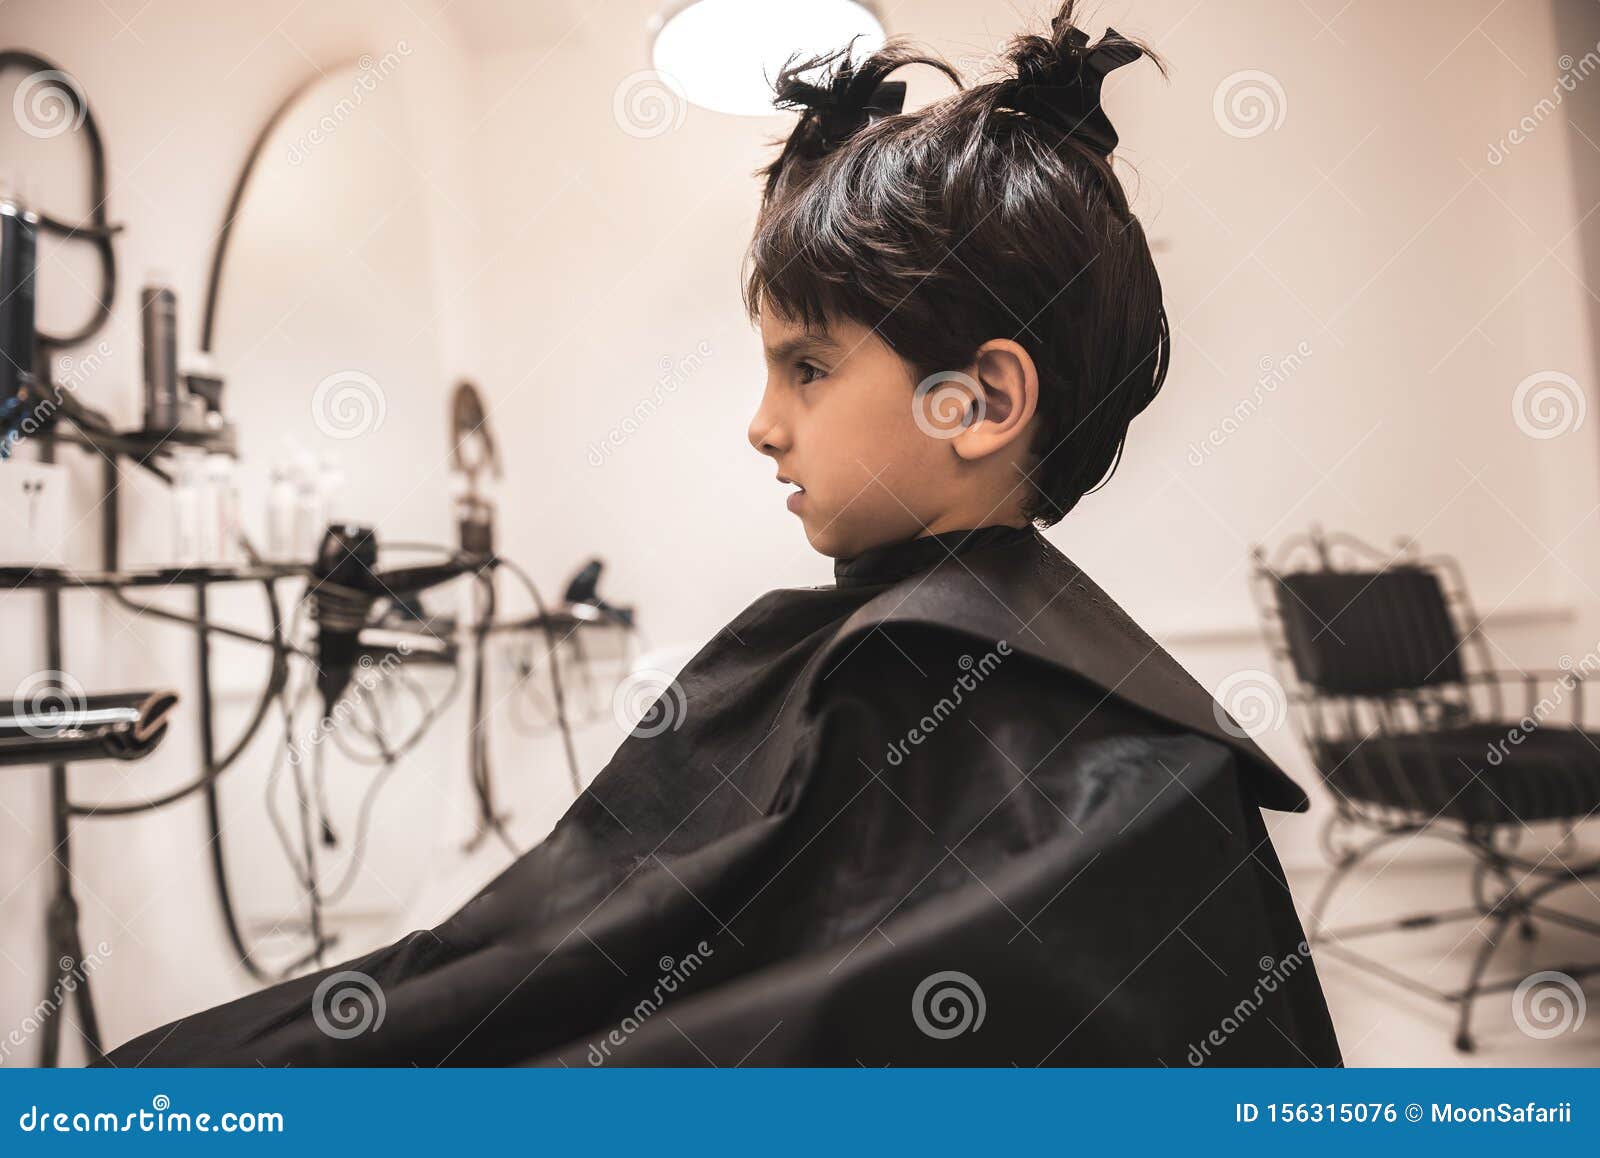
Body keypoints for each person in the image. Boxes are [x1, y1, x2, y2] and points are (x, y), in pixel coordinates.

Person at [109, 1, 1341, 1067]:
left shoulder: (950, 703)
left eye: (806, 368)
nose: (762, 427)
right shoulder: (1086, 716)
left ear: (982, 401)